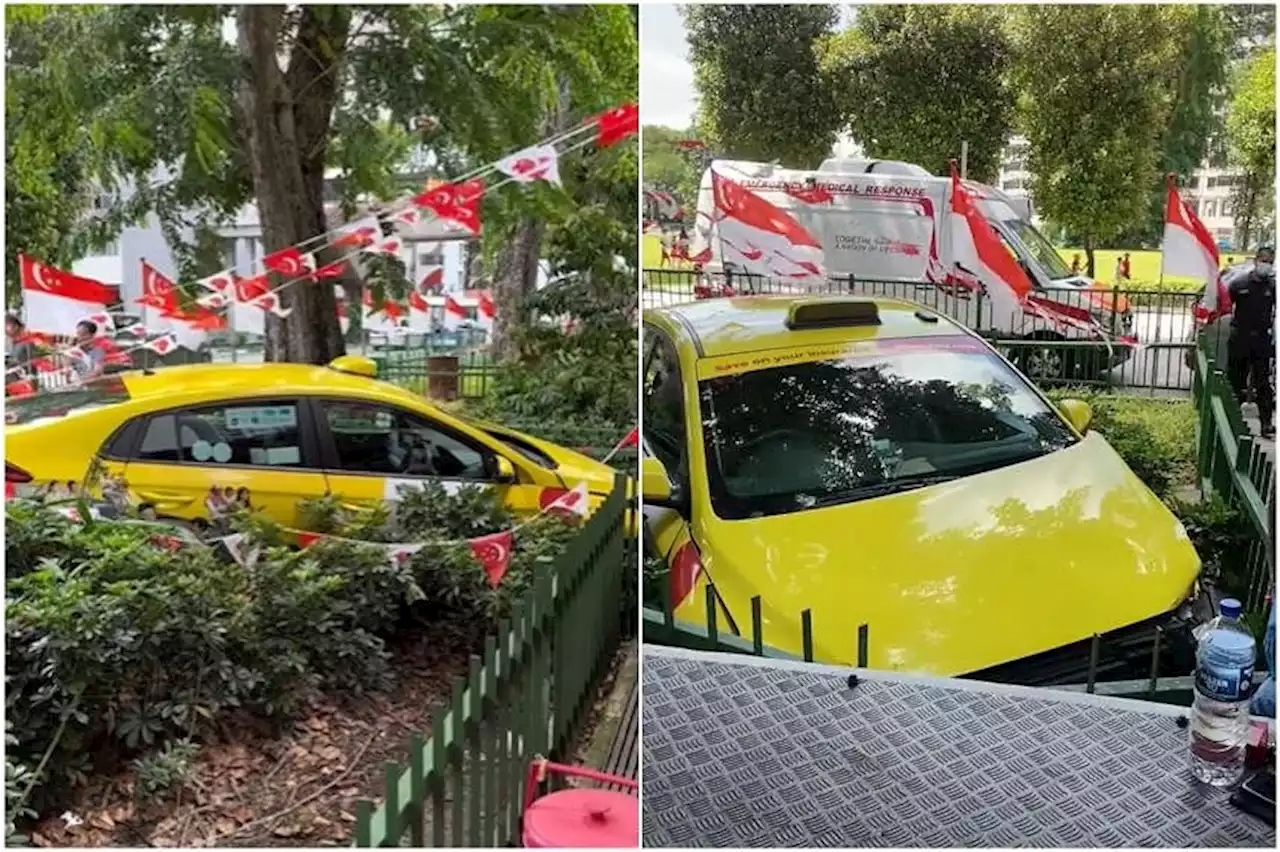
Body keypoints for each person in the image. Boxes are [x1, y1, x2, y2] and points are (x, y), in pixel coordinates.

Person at [1227, 246, 1276, 438]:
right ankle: (1232, 421)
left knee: (1263, 384)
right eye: (1264, 260)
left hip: (1262, 340)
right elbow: (1227, 303)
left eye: (1270, 261)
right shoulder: (1239, 284)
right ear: (1256, 260)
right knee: (1235, 381)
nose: (1267, 264)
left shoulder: (1272, 286)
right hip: (1241, 337)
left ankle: (1266, 424)